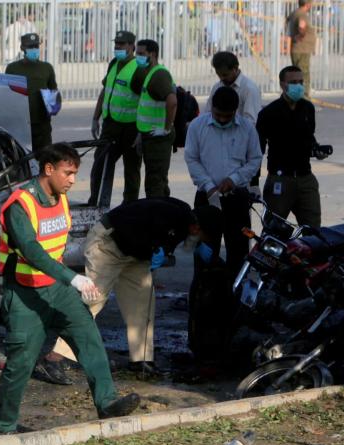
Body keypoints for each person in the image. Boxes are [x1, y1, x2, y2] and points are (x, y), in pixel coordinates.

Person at [0, 143, 140, 434]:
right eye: (67, 173)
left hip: (56, 289)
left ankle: (107, 403)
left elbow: (56, 246)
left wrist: (75, 281)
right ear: (49, 169)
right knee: (21, 362)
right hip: (24, 293)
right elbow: (32, 252)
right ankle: (1, 427)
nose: (72, 180)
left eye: (75, 173)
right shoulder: (20, 205)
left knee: (88, 336)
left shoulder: (59, 198)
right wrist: (74, 279)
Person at [39, 199, 216, 384]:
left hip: (135, 253)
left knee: (143, 303)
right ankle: (53, 358)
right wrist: (155, 250)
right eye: (204, 237)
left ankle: (141, 360)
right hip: (109, 245)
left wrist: (156, 250)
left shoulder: (183, 222)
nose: (202, 242)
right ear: (196, 228)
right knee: (93, 301)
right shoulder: (170, 215)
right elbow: (141, 231)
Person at [184, 86, 262, 272]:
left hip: (236, 199)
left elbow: (255, 160)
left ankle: (235, 294)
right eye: (218, 114)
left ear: (235, 112)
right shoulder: (198, 126)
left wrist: (234, 179)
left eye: (227, 116)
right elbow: (192, 158)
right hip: (206, 198)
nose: (222, 119)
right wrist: (209, 186)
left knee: (239, 250)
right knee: (204, 253)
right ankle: (204, 295)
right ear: (212, 108)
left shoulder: (247, 129)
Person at [256, 66, 322, 227]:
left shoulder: (308, 108)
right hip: (280, 179)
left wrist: (316, 149)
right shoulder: (269, 113)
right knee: (274, 231)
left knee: (313, 233)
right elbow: (258, 149)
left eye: (301, 82)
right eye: (293, 82)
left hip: (305, 178)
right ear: (282, 84)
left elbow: (308, 137)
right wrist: (253, 182)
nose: (298, 86)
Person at [89, 30, 144, 206]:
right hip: (110, 125)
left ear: (131, 47)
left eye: (122, 44)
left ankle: (130, 206)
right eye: (116, 44)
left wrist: (141, 132)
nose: (118, 47)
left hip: (131, 128)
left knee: (131, 170)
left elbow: (145, 101)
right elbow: (105, 91)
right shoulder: (114, 63)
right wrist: (95, 117)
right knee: (100, 164)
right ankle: (97, 202)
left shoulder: (138, 68)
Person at [135, 39, 176, 198]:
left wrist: (165, 128)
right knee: (156, 181)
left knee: (155, 183)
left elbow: (172, 102)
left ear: (152, 54)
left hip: (158, 138)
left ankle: (158, 217)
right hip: (150, 135)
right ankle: (162, 214)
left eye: (141, 54)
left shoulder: (159, 75)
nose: (138, 57)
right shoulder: (150, 73)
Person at [5, 33, 58, 153]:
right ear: (22, 48)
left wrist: (52, 108)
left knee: (44, 158)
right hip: (21, 124)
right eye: (30, 47)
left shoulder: (47, 68)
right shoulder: (12, 68)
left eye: (36, 46)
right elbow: (8, 95)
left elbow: (53, 93)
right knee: (22, 158)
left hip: (42, 125)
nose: (34, 49)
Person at [204, 51, 262, 125]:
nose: (221, 78)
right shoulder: (217, 87)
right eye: (218, 75)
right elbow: (207, 114)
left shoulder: (249, 89)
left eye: (225, 75)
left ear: (235, 68)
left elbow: (252, 121)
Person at [288, 0, 316, 97]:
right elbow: (301, 26)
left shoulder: (294, 13)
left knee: (296, 76)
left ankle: (295, 101)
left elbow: (287, 21)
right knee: (303, 76)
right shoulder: (302, 14)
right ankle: (304, 102)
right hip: (302, 50)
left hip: (296, 49)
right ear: (307, 4)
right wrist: (300, 35)